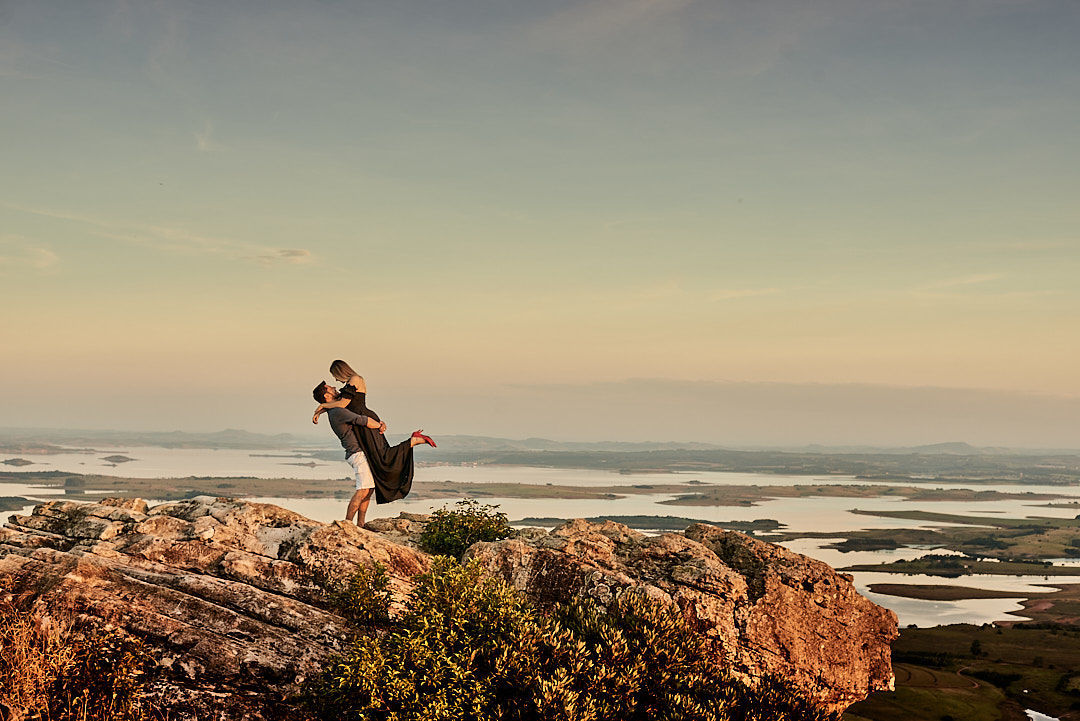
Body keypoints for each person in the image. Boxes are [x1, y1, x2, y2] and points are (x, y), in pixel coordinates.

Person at [312, 360, 435, 508]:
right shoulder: (349, 384)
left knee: (382, 454)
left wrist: (322, 406)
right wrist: (321, 411)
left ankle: (413, 441)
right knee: (376, 457)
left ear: (340, 371)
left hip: (366, 421)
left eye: (335, 376)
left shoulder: (355, 379)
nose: (337, 380)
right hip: (360, 426)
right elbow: (337, 404)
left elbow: (343, 404)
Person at [312, 381, 386, 526]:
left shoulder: (334, 409)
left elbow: (338, 403)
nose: (334, 387)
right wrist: (380, 425)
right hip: (357, 454)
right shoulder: (337, 412)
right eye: (330, 388)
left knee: (369, 489)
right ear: (327, 395)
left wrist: (319, 411)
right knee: (362, 490)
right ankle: (347, 524)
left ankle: (361, 524)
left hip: (358, 453)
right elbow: (362, 420)